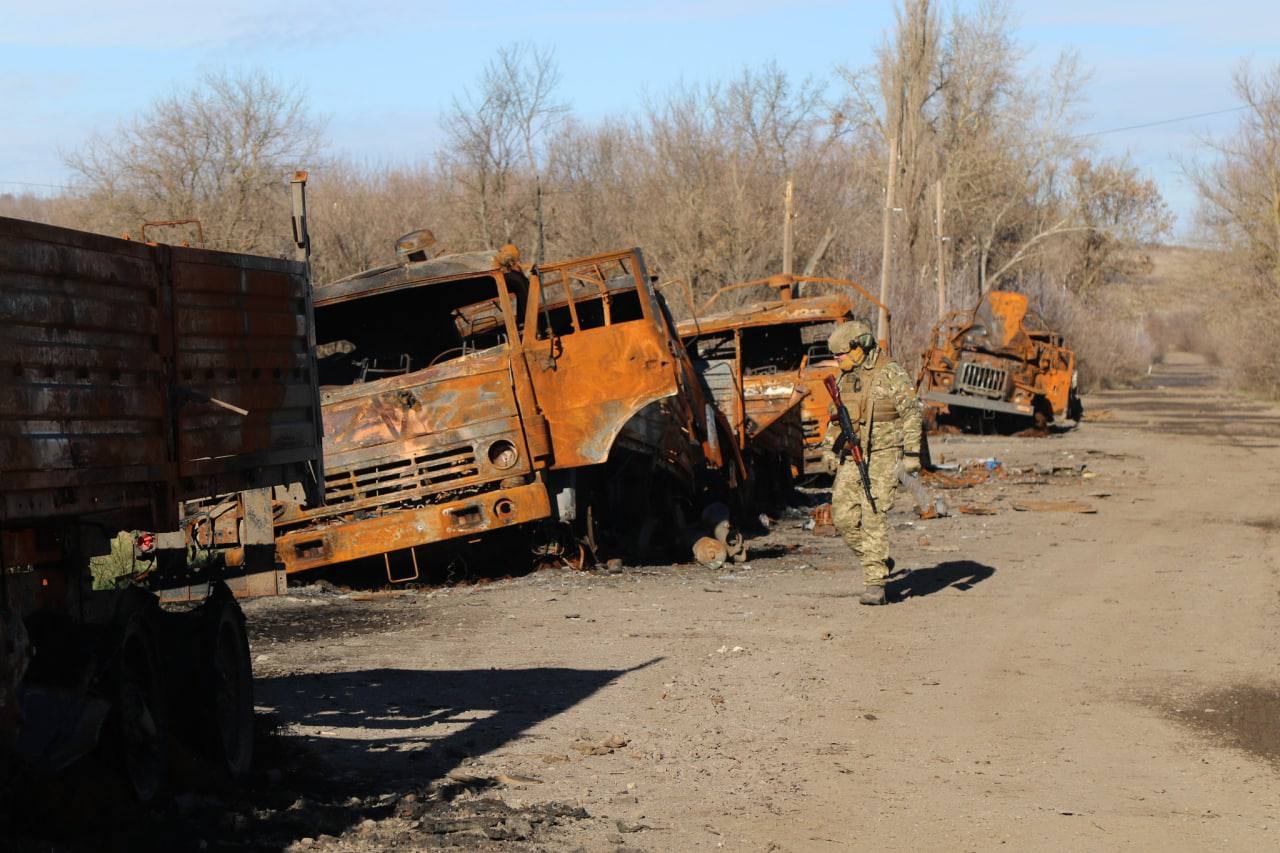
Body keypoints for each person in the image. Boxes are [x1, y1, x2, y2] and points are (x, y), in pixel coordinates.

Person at [821, 319, 923, 605]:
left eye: (841, 354)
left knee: (873, 515)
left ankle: (875, 584)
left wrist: (912, 454)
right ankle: (877, 559)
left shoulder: (890, 373)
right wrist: (829, 449)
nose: (837, 360)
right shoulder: (845, 377)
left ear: (859, 347)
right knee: (842, 516)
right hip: (852, 454)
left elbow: (912, 413)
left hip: (884, 454)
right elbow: (836, 418)